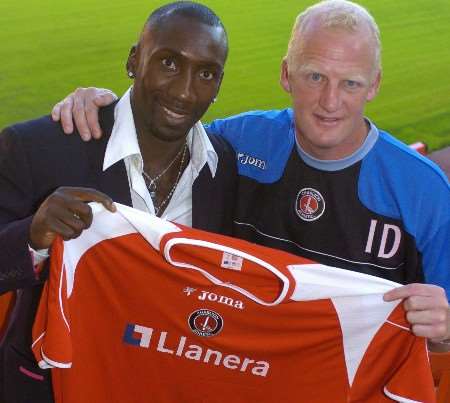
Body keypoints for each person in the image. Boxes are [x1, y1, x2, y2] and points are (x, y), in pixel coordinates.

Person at [56, 0, 450, 346]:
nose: (330, 102)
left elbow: (443, 331)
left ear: (374, 85)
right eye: (315, 77)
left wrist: (445, 326)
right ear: (285, 74)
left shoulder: (423, 190)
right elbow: (157, 133)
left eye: (350, 83)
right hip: (234, 368)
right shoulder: (237, 142)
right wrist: (102, 106)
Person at [0, 2, 236, 402]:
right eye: (169, 63)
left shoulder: (223, 166)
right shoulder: (38, 147)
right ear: (134, 60)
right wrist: (34, 237)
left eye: (206, 73)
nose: (184, 90)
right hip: (50, 388)